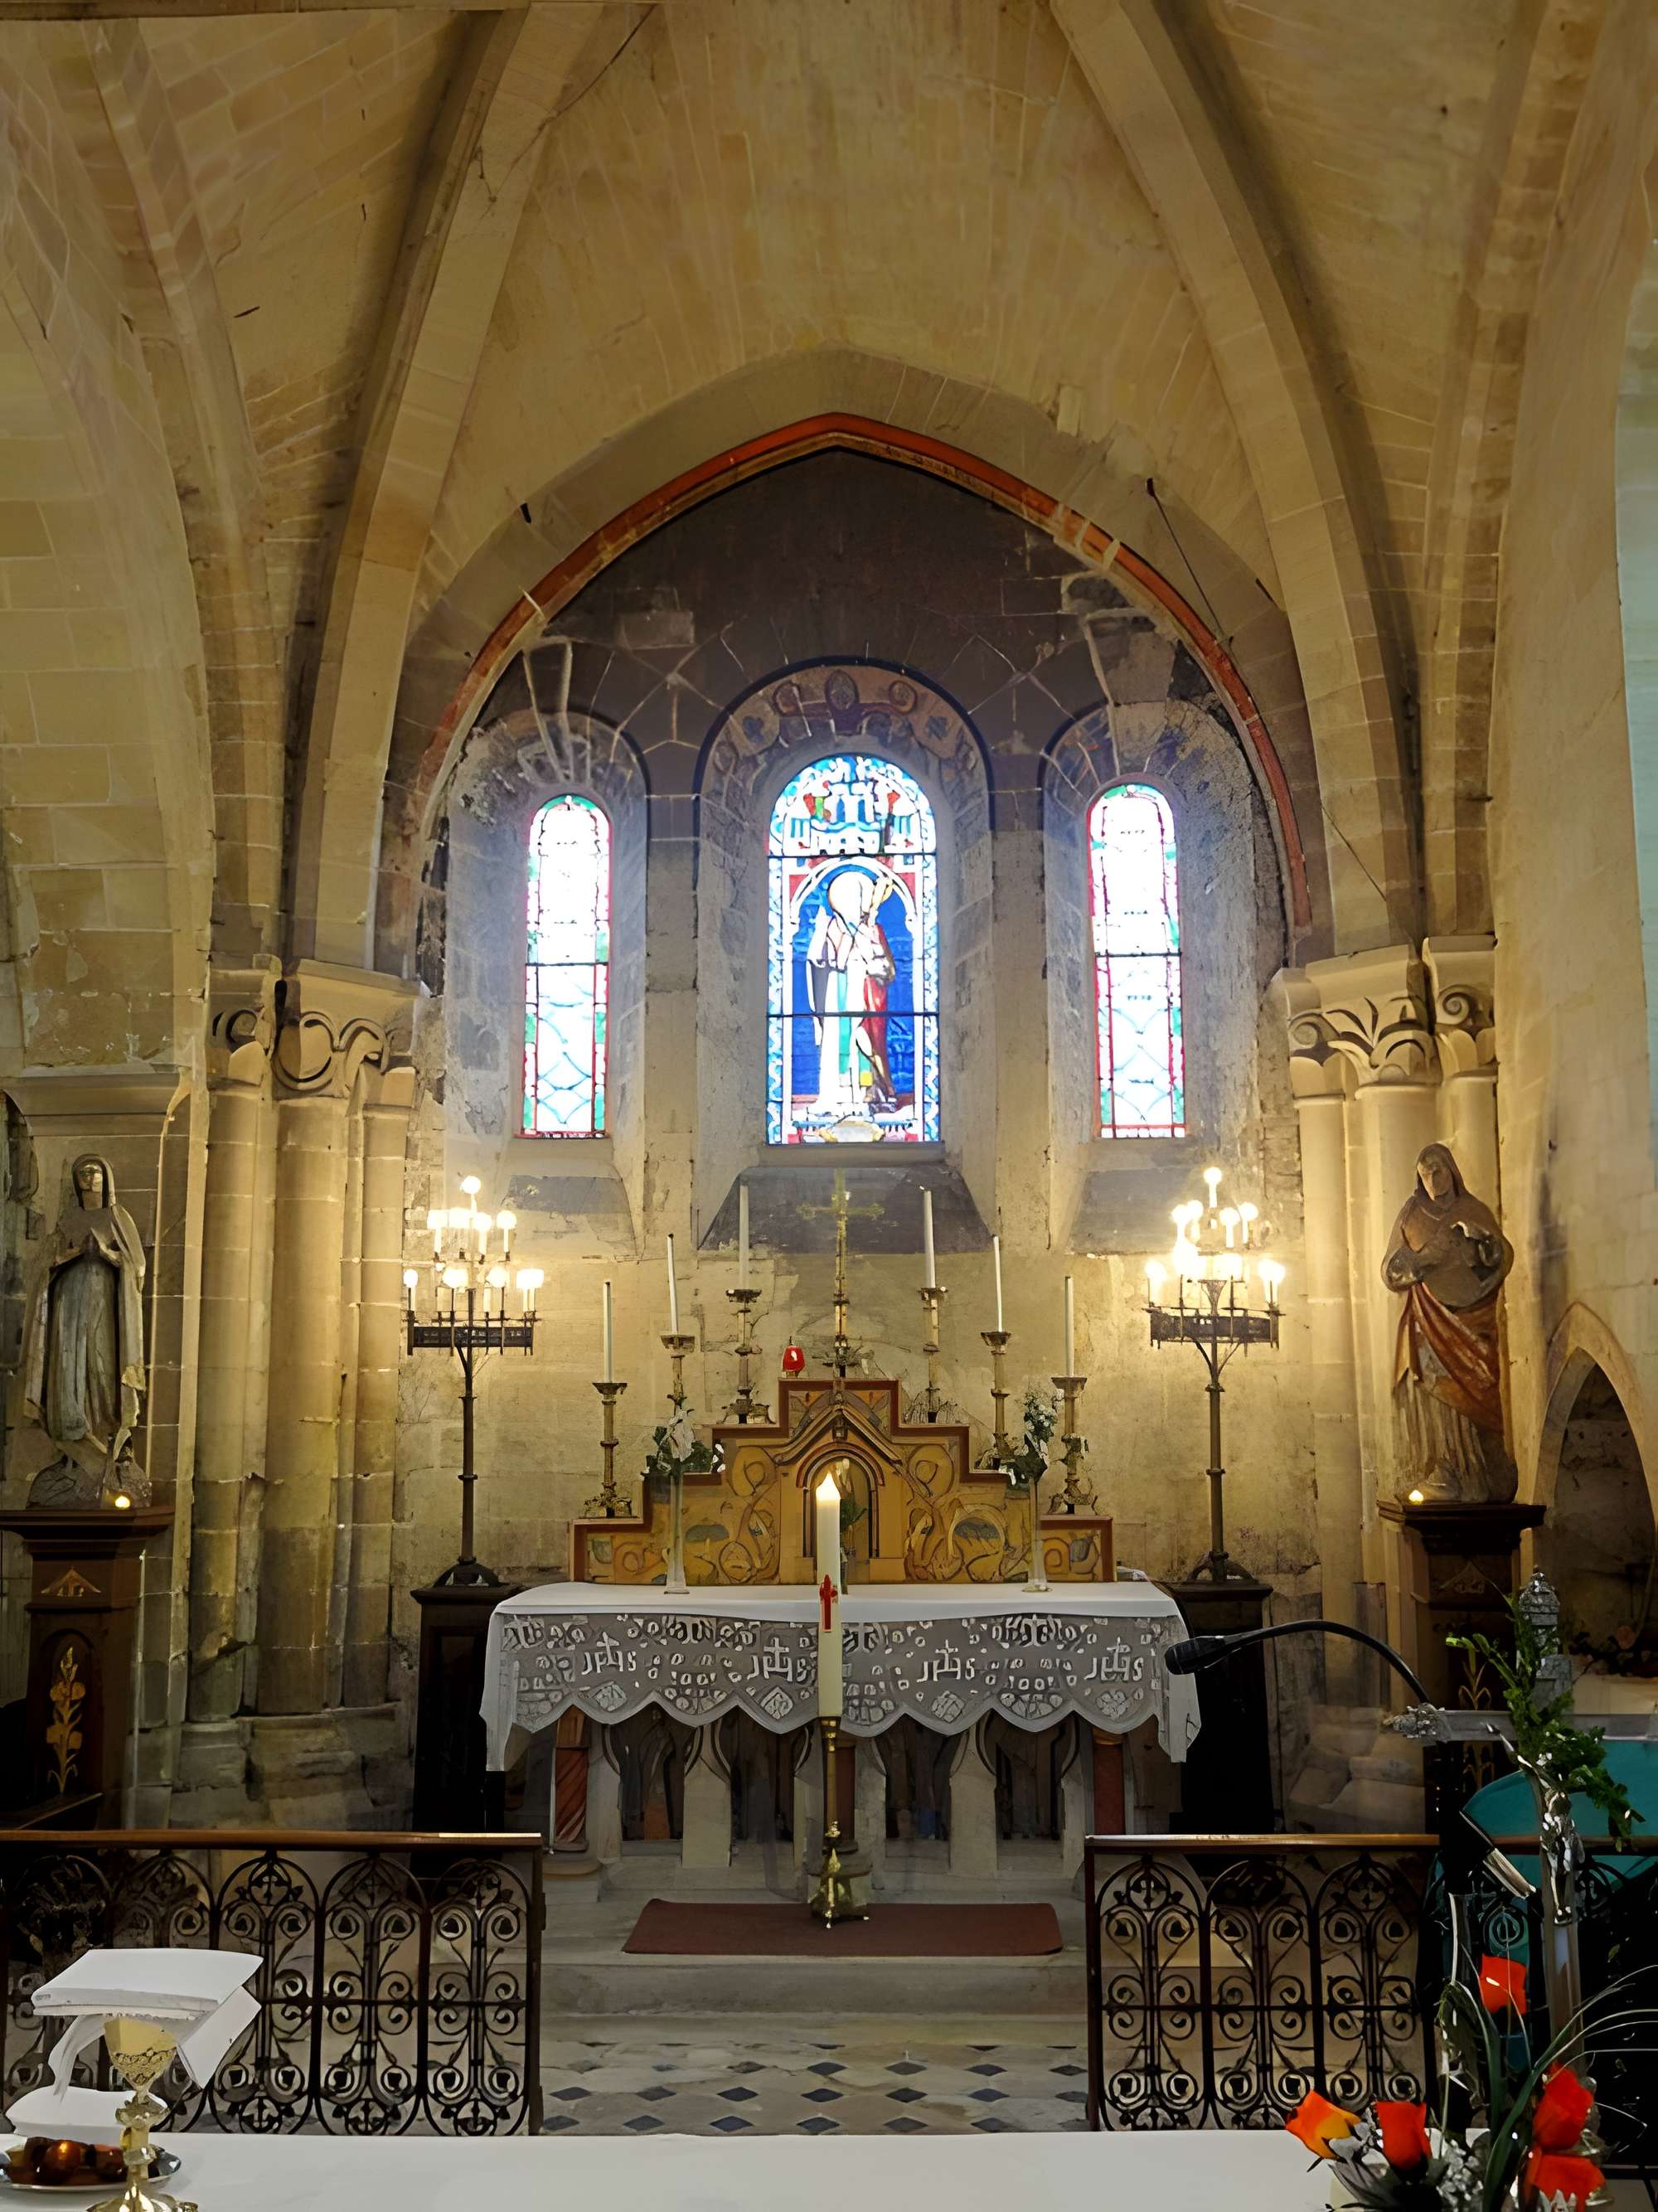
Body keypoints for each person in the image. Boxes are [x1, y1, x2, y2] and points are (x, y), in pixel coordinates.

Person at [1381, 1142, 1514, 1502]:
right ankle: (1446, 1468)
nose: (1432, 1178)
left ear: (1452, 1171)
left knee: (1478, 1389)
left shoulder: (1473, 1210)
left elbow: (1499, 1259)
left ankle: (1479, 1470)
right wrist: (1422, 1260)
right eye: (1425, 1173)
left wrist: (1477, 1246)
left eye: (1438, 1170)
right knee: (1434, 1393)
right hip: (1428, 1318)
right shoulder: (1411, 1214)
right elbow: (1391, 1270)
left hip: (1473, 1322)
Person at [22, 1155, 148, 1507]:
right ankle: (73, 1446)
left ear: (106, 1178)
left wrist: (107, 1254)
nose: (88, 1178)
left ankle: (106, 1441)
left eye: (94, 1173)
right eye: (83, 1173)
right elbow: (48, 1261)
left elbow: (136, 1267)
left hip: (103, 1303)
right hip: (67, 1302)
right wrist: (72, 1254)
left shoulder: (116, 1217)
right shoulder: (68, 1218)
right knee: (67, 1369)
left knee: (101, 1367)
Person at [804, 867, 899, 1118]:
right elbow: (818, 962)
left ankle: (869, 1095)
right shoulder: (831, 926)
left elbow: (888, 969)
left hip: (863, 997)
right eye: (851, 898)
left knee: (863, 1045)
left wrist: (873, 956)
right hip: (837, 994)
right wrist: (825, 938)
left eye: (859, 898)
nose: (856, 905)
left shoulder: (873, 930)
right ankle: (834, 1097)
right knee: (836, 1043)